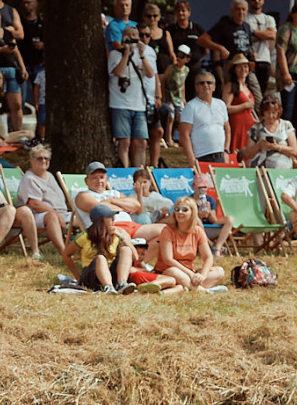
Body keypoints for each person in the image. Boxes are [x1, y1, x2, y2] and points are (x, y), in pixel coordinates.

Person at [142, 196, 225, 292]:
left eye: (184, 210)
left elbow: (208, 257)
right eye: (177, 209)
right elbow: (168, 259)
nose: (180, 212)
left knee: (219, 271)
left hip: (189, 273)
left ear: (192, 213)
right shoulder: (167, 231)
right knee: (174, 271)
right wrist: (190, 274)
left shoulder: (197, 231)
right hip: (168, 271)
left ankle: (188, 286)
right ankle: (205, 291)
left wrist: (202, 275)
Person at [108, 22, 155, 167]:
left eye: (135, 37)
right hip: (120, 103)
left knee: (141, 141)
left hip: (139, 105)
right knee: (124, 141)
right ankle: (125, 171)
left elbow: (150, 73)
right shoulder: (115, 54)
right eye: (129, 36)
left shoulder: (142, 55)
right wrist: (126, 53)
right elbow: (118, 72)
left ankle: (139, 171)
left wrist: (141, 55)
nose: (132, 40)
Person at [15, 143, 71, 265]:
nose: (44, 161)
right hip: (36, 216)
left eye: (46, 158)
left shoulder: (49, 175)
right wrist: (55, 214)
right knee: (51, 217)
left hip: (62, 214)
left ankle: (94, 250)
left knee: (85, 215)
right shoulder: (29, 178)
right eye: (40, 158)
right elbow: (34, 204)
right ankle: (64, 253)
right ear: (32, 160)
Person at [76, 203, 133, 293]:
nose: (113, 219)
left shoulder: (116, 234)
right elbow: (66, 255)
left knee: (126, 250)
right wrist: (77, 276)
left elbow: (136, 257)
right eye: (110, 217)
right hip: (91, 276)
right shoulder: (85, 236)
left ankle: (121, 283)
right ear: (100, 220)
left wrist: (123, 238)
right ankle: (108, 287)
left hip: (110, 274)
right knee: (101, 258)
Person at [178, 70, 228, 163]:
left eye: (209, 82)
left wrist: (226, 150)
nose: (205, 85)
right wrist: (191, 157)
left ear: (214, 87)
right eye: (201, 83)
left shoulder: (221, 104)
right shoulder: (190, 106)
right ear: (196, 87)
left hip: (221, 156)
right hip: (201, 157)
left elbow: (227, 129)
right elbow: (184, 135)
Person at [243, 96, 297, 168]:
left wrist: (277, 147)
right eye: (267, 112)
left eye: (273, 112)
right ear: (263, 112)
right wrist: (259, 145)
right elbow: (247, 155)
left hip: (283, 168)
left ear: (278, 111)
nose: (270, 116)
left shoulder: (286, 125)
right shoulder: (255, 128)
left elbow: (294, 151)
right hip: (262, 169)